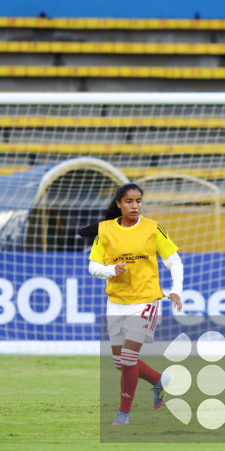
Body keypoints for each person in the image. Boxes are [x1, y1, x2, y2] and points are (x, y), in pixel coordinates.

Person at [80, 183, 184, 426]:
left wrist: (175, 290)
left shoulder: (153, 228)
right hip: (116, 302)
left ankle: (123, 414)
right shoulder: (105, 231)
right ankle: (159, 380)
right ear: (119, 204)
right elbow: (92, 266)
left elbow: (174, 261)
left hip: (146, 300)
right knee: (120, 362)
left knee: (128, 357)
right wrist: (110, 270)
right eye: (129, 201)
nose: (135, 205)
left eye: (138, 201)